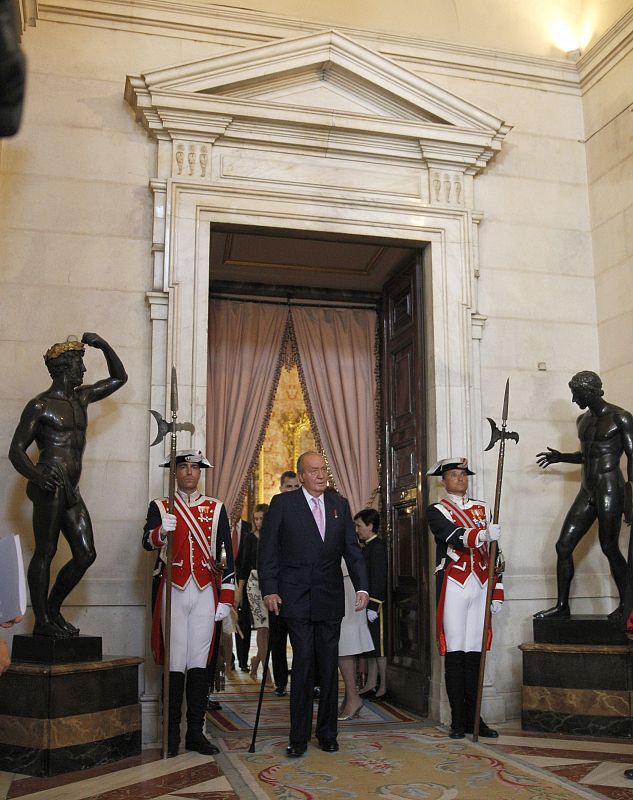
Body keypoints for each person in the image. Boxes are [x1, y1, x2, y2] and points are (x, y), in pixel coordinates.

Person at [9, 333, 127, 638]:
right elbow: (16, 450)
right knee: (46, 551)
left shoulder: (81, 398)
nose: (83, 371)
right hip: (50, 484)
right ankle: (42, 622)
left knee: (86, 554)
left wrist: (102, 343)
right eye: (79, 365)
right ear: (63, 368)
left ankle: (52, 609)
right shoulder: (40, 406)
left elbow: (119, 378)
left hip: (71, 489)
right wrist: (36, 476)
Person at [259, 451, 369, 758]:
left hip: (330, 597)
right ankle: (298, 736)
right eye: (314, 470)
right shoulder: (283, 505)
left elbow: (352, 549)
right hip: (295, 598)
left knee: (328, 665)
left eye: (324, 470)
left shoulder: (339, 505)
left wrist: (362, 586)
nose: (321, 475)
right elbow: (268, 551)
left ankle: (328, 733)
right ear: (302, 475)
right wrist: (269, 589)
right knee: (304, 663)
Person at [142, 449, 234, 757]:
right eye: (184, 467)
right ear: (175, 472)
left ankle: (195, 732)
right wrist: (159, 532)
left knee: (199, 661)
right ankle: (171, 736)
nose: (190, 472)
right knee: (175, 661)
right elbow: (146, 542)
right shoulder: (161, 505)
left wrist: (227, 597)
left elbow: (228, 556)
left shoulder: (216, 507)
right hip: (173, 588)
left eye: (195, 467)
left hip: (206, 589)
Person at [535, 371, 633, 619]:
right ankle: (562, 606)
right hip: (587, 489)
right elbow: (587, 455)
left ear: (588, 391)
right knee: (563, 546)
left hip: (611, 487)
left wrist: (631, 496)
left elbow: (632, 457)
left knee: (609, 547)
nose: (573, 399)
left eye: (575, 393)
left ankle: (627, 606)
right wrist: (561, 457)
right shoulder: (583, 420)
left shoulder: (620, 417)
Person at [426, 457, 504, 740]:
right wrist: (483, 533)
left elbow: (497, 555)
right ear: (443, 480)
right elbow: (452, 535)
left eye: (463, 474)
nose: (460, 478)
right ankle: (458, 720)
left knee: (475, 654)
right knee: (456, 652)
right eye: (454, 475)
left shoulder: (482, 508)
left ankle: (475, 719)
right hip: (454, 584)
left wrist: (498, 591)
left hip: (481, 584)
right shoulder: (437, 511)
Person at [268, 470, 300, 697]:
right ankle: (280, 681)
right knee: (278, 640)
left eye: (297, 488)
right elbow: (268, 553)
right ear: (281, 489)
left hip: (301, 591)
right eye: (289, 487)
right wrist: (270, 589)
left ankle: (303, 680)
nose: (293, 492)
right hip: (279, 590)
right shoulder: (276, 511)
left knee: (302, 642)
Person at [234, 504, 272, 684]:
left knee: (272, 630)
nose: (257, 522)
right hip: (254, 584)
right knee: (262, 629)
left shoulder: (274, 537)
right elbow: (242, 567)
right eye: (255, 518)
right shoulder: (249, 538)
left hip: (272, 583)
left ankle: (256, 661)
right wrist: (239, 591)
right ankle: (267, 674)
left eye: (261, 518)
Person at [355, 509, 389, 701]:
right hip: (367, 605)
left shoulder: (377, 547)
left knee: (380, 647)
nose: (357, 529)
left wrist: (373, 606)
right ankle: (371, 683)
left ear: (369, 525)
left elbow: (378, 579)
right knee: (370, 647)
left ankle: (383, 686)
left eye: (359, 525)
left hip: (377, 606)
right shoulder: (367, 546)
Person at [337, 553, 373, 720]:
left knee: (346, 642)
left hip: (347, 580)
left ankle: (353, 697)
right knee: (341, 642)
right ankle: (350, 696)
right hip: (337, 577)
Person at [231, 517, 252, 672]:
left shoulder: (248, 528)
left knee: (243, 621)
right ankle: (228, 659)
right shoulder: (222, 524)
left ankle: (243, 661)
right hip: (222, 576)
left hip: (244, 580)